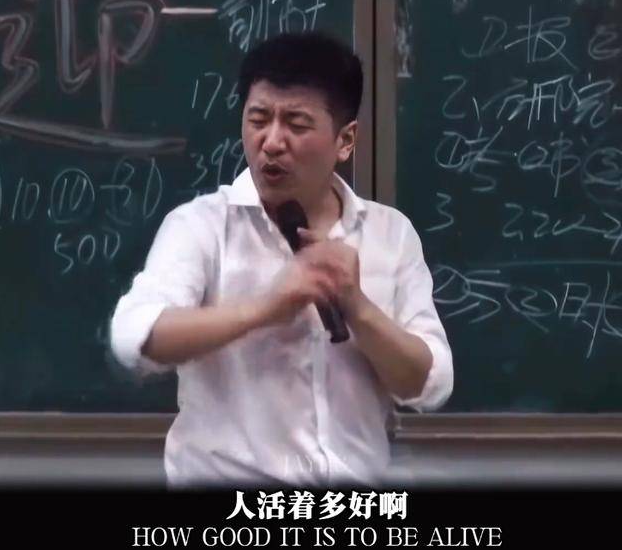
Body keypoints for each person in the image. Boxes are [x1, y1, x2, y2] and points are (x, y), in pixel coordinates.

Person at [110, 32, 453, 488]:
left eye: (296, 124)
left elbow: (428, 384)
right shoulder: (201, 225)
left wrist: (358, 308)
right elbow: (136, 337)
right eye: (258, 119)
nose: (272, 142)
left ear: (345, 140)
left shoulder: (390, 234)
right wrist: (266, 308)